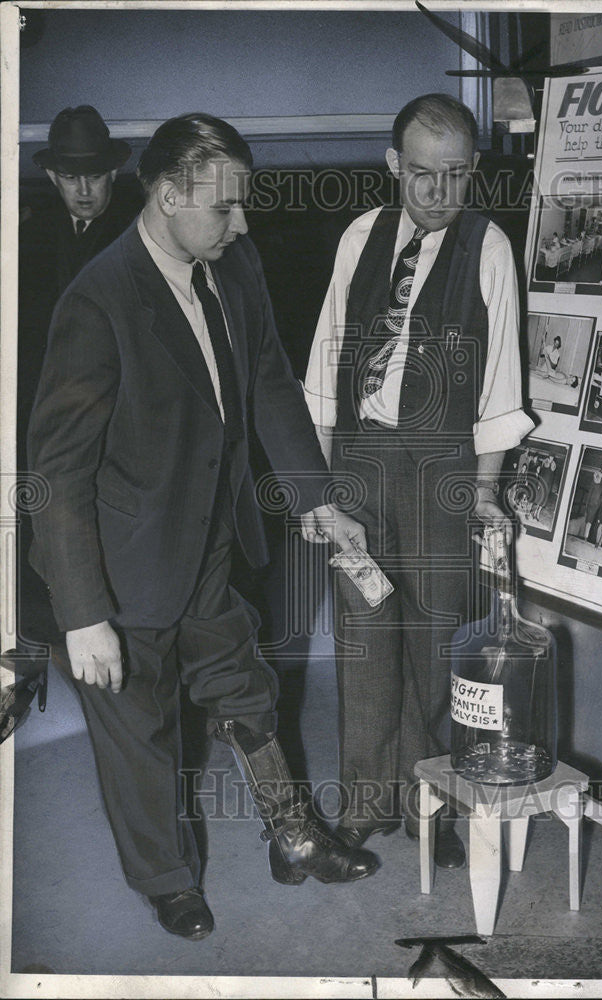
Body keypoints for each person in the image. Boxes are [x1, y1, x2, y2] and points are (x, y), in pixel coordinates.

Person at [27, 113, 380, 942]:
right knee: (141, 734)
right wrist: (82, 614)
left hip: (212, 542)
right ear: (167, 194)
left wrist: (315, 496)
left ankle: (292, 836)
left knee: (247, 691)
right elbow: (57, 473)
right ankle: (167, 881)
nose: (243, 223)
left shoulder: (235, 261)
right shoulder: (99, 301)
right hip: (124, 560)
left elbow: (266, 381)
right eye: (224, 208)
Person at [303, 93, 534, 868]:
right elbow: (321, 371)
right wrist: (320, 487)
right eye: (423, 175)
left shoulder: (489, 248)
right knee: (365, 635)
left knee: (439, 638)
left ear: (473, 172)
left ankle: (434, 803)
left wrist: (484, 488)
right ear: (394, 165)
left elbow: (502, 384)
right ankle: (366, 801)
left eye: (457, 175)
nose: (439, 193)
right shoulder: (359, 236)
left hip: (444, 465)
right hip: (359, 459)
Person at [17, 107, 142, 648]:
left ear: (113, 172)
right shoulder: (29, 235)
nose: (84, 188)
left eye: (94, 175)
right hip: (44, 417)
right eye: (70, 177)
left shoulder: (142, 234)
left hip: (117, 421)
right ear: (52, 177)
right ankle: (46, 641)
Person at [583, 467, 602, 540]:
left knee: (591, 520)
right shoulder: (596, 480)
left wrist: (600, 504)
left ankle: (586, 536)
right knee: (589, 520)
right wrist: (587, 502)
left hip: (598, 505)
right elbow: (590, 491)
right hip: (592, 503)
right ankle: (586, 535)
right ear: (601, 471)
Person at [532, 454, 557, 522]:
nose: (551, 459)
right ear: (548, 458)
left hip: (547, 487)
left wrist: (550, 489)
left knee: (543, 502)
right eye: (550, 458)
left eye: (552, 458)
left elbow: (552, 479)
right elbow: (541, 476)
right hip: (542, 485)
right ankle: (534, 513)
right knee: (539, 499)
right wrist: (539, 484)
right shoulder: (545, 466)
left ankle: (537, 514)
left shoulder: (553, 468)